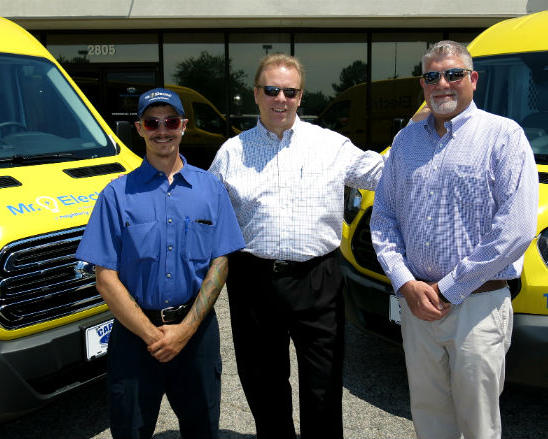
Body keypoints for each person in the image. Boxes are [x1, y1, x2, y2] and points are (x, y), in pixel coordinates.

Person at [208, 54, 384, 438]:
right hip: (254, 282)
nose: (280, 99)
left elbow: (386, 177)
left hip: (318, 279)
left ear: (301, 96)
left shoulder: (332, 146)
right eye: (271, 89)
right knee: (262, 383)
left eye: (290, 91)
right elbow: (206, 216)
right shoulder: (230, 153)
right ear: (256, 94)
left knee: (323, 387)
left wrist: (419, 136)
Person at [370, 40, 539, 439]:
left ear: (473, 79)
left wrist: (449, 289)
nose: (442, 83)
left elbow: (515, 230)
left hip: (476, 307)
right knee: (429, 419)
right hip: (417, 307)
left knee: (478, 424)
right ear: (423, 84)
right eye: (432, 76)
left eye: (453, 74)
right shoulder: (405, 142)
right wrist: (405, 282)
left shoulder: (504, 136)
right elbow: (384, 220)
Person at [75, 88, 245, 439]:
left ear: (183, 125)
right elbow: (105, 278)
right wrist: (154, 336)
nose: (162, 129)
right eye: (152, 122)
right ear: (139, 129)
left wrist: (184, 331)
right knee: (130, 431)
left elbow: (221, 262)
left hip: (195, 335)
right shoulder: (115, 195)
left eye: (170, 121)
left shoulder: (210, 189)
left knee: (202, 430)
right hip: (135, 339)